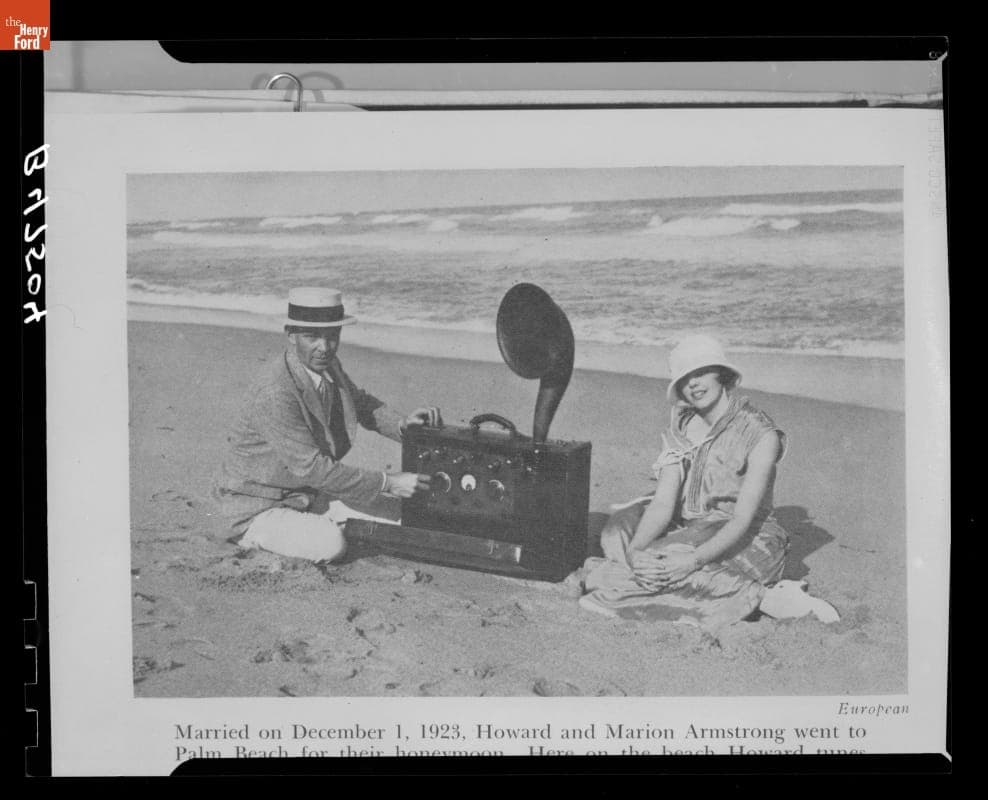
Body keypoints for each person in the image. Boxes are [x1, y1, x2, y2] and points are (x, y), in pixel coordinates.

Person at [212, 287, 441, 563]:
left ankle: (320, 521)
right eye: (312, 337)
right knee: (331, 544)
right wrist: (389, 482)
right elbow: (313, 468)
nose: (324, 347)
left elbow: (360, 403)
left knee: (405, 516)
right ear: (291, 335)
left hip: (307, 493)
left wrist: (404, 426)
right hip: (256, 505)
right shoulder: (275, 392)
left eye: (332, 336)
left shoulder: (325, 365)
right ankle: (252, 536)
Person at [579, 334, 790, 630]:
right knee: (616, 536)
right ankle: (646, 570)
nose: (693, 383)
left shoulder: (759, 433)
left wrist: (691, 560)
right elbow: (664, 501)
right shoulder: (682, 423)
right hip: (690, 525)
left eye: (701, 372)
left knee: (629, 570)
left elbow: (742, 520)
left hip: (745, 534)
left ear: (721, 374)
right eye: (685, 377)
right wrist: (636, 551)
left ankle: (759, 596)